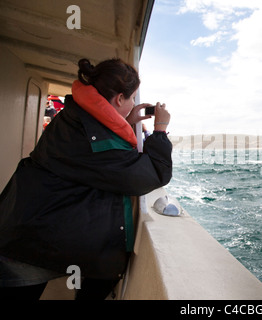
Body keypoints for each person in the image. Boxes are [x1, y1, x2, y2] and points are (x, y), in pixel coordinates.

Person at [0, 58, 172, 300]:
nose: (133, 103)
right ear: (119, 99)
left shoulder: (76, 114)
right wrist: (161, 130)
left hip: (26, 225)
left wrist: (125, 121)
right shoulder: (97, 140)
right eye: (131, 98)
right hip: (32, 240)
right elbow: (153, 174)